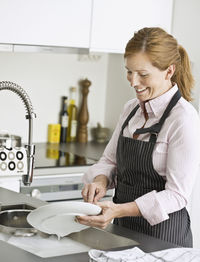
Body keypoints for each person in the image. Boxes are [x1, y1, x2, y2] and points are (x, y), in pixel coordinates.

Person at [76, 27, 200, 247]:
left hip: (164, 239)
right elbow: (109, 160)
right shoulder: (131, 108)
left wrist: (119, 210)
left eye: (143, 74)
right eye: (129, 72)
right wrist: (100, 181)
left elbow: (177, 195)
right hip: (123, 232)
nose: (133, 82)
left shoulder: (183, 118)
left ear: (169, 71)